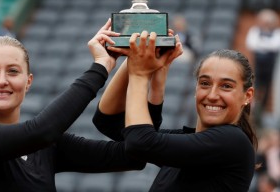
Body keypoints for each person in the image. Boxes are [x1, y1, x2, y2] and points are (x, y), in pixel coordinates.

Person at [0, 20, 149, 192]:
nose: (1, 80)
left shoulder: (47, 147)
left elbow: (134, 156)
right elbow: (41, 131)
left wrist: (138, 67)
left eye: (13, 71)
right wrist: (100, 67)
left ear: (28, 81)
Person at [94, 31, 258, 192]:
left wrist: (139, 73)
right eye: (205, 83)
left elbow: (141, 142)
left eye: (226, 86)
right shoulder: (189, 144)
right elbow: (109, 122)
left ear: (247, 95)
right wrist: (136, 54)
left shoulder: (233, 141)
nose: (212, 95)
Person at [245, 8, 280, 126]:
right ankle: (256, 107)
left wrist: (262, 45)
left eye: (268, 22)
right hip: (258, 66)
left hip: (271, 67)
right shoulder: (255, 30)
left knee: (268, 88)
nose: (266, 24)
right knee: (257, 85)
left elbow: (275, 45)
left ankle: (263, 108)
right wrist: (266, 45)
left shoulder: (276, 32)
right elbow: (251, 44)